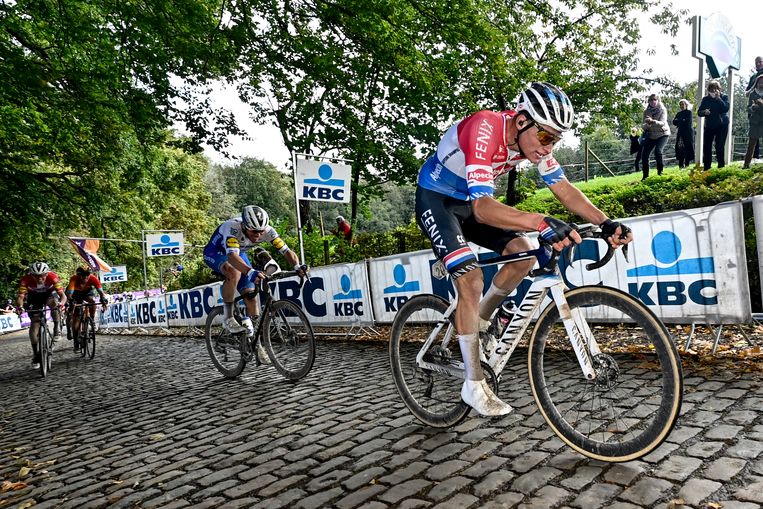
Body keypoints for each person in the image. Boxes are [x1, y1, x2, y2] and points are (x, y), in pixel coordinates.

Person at [415, 82, 632, 416]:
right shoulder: (485, 127)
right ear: (521, 122)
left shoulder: (533, 143)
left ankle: (483, 322)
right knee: (471, 280)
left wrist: (605, 222)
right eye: (546, 137)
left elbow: (564, 189)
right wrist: (541, 221)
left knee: (524, 255)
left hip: (471, 204)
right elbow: (485, 209)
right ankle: (473, 384)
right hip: (438, 200)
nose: (549, 147)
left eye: (556, 139)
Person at [203, 205, 309, 352]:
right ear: (245, 226)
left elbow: (286, 251)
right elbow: (232, 258)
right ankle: (228, 318)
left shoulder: (268, 231)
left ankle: (256, 343)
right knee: (233, 272)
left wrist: (297, 266)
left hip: (239, 253)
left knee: (251, 294)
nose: (258, 235)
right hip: (216, 253)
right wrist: (251, 272)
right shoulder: (233, 228)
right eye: (254, 231)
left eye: (261, 232)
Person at [15, 262, 67, 369]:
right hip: (34, 297)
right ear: (32, 275)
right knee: (34, 324)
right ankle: (36, 354)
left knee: (54, 304)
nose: (40, 278)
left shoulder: (53, 277)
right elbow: (21, 296)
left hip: (49, 295)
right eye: (36, 276)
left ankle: (57, 328)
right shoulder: (26, 279)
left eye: (42, 275)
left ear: (47, 274)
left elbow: (62, 295)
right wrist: (20, 306)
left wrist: (61, 304)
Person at [66, 266, 109, 350]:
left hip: (86, 292)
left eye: (87, 275)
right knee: (76, 316)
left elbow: (101, 292)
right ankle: (75, 340)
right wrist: (71, 301)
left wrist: (103, 300)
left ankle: (91, 319)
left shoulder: (93, 278)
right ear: (79, 275)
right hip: (75, 293)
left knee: (92, 301)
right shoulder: (74, 279)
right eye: (83, 275)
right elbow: (69, 295)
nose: (85, 277)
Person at [697, 80, 730, 170]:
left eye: (716, 89)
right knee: (707, 146)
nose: (714, 91)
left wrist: (718, 99)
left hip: (722, 125)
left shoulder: (724, 97)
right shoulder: (705, 99)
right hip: (709, 125)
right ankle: (707, 167)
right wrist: (704, 112)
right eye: (712, 89)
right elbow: (699, 112)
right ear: (709, 89)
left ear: (719, 89)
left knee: (719, 146)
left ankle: (721, 166)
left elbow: (725, 108)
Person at [640, 93, 670, 179]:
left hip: (663, 134)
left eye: (655, 99)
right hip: (651, 135)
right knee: (644, 154)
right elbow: (643, 125)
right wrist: (647, 125)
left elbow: (663, 122)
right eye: (651, 100)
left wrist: (653, 121)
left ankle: (660, 173)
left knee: (658, 151)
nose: (653, 101)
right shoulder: (646, 112)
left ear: (658, 100)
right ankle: (645, 176)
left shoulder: (662, 109)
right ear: (649, 101)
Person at [743, 74, 763, 169]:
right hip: (755, 122)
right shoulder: (752, 94)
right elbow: (748, 109)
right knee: (751, 144)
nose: (761, 84)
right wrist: (753, 107)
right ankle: (746, 165)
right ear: (757, 83)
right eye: (760, 82)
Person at [747, 57, 763, 159]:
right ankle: (753, 158)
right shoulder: (753, 77)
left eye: (760, 62)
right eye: (756, 62)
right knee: (753, 139)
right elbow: (748, 91)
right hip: (754, 116)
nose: (758, 64)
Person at [672, 99, 695, 169]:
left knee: (687, 148)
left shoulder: (689, 113)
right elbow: (674, 122)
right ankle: (680, 165)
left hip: (688, 134)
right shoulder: (679, 114)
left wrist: (679, 121)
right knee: (680, 149)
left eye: (683, 104)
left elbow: (687, 123)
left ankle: (687, 165)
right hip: (680, 133)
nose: (681, 106)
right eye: (680, 105)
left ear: (686, 105)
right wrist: (682, 120)